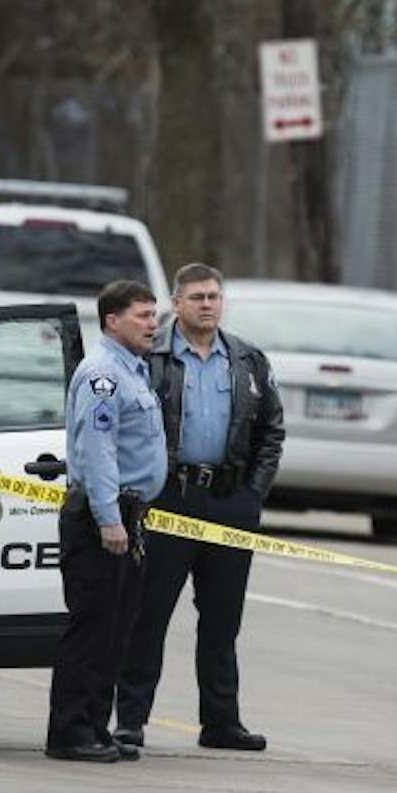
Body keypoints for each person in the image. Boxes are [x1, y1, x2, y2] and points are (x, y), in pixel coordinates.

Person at [116, 265, 284, 754]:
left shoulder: (248, 360)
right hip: (170, 497)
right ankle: (130, 719)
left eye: (214, 296)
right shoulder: (152, 357)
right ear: (177, 303)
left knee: (222, 620)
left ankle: (221, 721)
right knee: (148, 616)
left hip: (230, 500)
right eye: (196, 297)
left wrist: (253, 493)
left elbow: (271, 430)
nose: (207, 304)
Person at [45, 280, 167, 763]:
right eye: (142, 315)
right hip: (103, 520)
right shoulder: (102, 375)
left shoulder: (134, 371)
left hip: (130, 516)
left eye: (154, 315)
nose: (152, 324)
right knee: (91, 628)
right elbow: (98, 452)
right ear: (112, 321)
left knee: (116, 631)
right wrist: (108, 518)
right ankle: (70, 731)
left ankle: (96, 725)